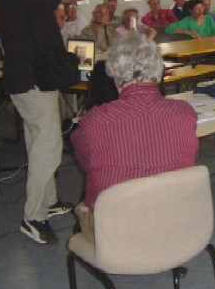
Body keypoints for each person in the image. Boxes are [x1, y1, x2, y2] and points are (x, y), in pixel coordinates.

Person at [0, 0, 112, 244]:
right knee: (49, 144)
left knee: (39, 140)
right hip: (31, 78)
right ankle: (33, 218)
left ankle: (47, 202)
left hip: (29, 77)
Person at [71, 34, 199, 243]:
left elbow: (86, 163)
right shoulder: (185, 113)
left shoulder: (94, 121)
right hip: (177, 228)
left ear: (112, 72)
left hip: (117, 235)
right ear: (159, 71)